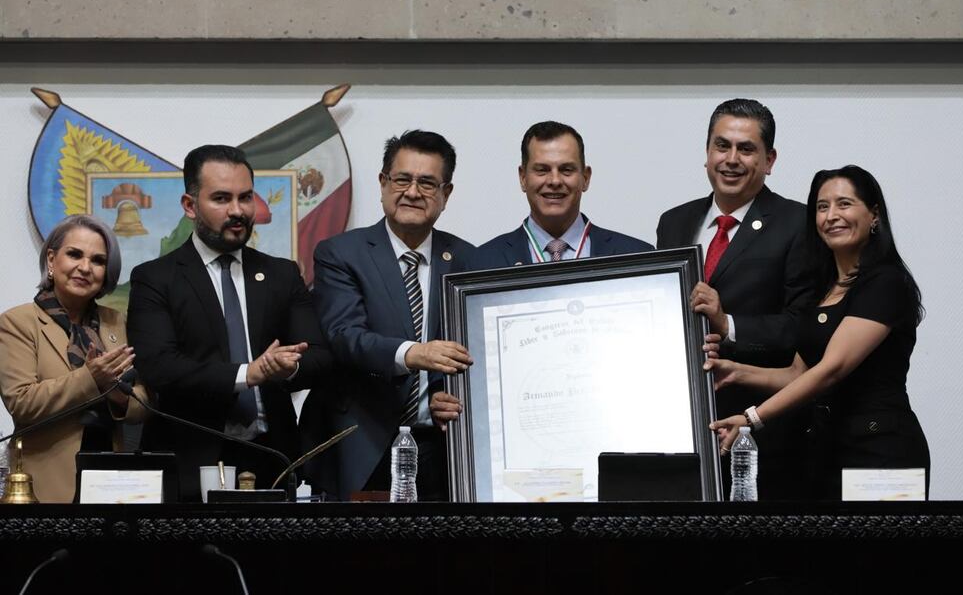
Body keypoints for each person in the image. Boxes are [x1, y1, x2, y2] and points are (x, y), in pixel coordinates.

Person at [708, 165, 930, 499]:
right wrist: (737, 372)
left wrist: (752, 418)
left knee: (882, 553)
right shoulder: (822, 289)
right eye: (822, 207)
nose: (831, 215)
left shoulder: (885, 282)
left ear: (873, 215)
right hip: (825, 448)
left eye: (844, 204)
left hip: (880, 449)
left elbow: (831, 369)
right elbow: (799, 372)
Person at [127, 145, 331, 501]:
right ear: (190, 206)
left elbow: (318, 356)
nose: (237, 211)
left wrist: (286, 369)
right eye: (221, 198)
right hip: (189, 461)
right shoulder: (155, 278)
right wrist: (247, 374)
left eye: (245, 197)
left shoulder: (282, 273)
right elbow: (160, 368)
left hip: (274, 458)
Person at [300, 130, 474, 501]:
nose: (412, 192)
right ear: (383, 183)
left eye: (428, 183)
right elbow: (344, 335)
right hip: (360, 444)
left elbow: (475, 357)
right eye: (402, 179)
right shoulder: (340, 253)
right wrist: (413, 353)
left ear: (447, 194)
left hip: (441, 452)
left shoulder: (467, 261)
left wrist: (450, 396)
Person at [656, 98, 811, 500]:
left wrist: (729, 325)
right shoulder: (674, 222)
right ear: (707, 153)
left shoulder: (797, 223)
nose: (731, 159)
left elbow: (801, 326)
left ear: (769, 159)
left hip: (761, 430)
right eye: (721, 146)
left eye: (746, 149)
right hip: (683, 424)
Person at [0, 215, 146, 503]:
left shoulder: (117, 321)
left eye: (98, 260)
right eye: (74, 254)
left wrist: (119, 396)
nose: (85, 267)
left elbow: (145, 401)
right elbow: (22, 404)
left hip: (113, 480)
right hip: (47, 484)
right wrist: (91, 378)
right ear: (52, 261)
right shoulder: (18, 322)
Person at [472, 120, 651, 269]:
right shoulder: (481, 262)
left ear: (585, 178)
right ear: (523, 178)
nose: (555, 181)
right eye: (542, 170)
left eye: (566, 170)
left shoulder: (638, 257)